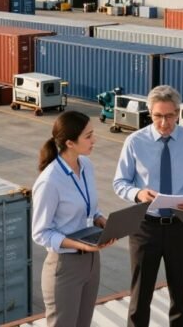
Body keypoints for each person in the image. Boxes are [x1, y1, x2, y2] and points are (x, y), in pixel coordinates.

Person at [113, 85, 183, 327]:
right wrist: (138, 194)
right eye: (158, 116)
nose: (163, 123)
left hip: (181, 226)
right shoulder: (135, 141)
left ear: (178, 113)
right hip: (145, 228)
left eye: (169, 116)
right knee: (140, 298)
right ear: (150, 113)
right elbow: (120, 182)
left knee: (180, 297)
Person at [32, 111, 114, 327]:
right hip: (65, 266)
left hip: (91, 262)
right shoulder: (49, 181)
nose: (93, 140)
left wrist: (101, 219)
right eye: (88, 136)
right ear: (70, 142)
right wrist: (78, 245)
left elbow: (88, 208)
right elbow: (41, 233)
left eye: (92, 134)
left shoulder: (86, 166)